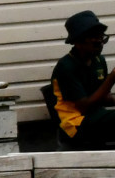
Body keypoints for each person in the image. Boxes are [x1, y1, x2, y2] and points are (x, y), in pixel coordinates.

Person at [49, 10, 115, 150]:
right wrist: (112, 77)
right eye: (95, 41)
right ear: (78, 42)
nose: (100, 44)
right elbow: (84, 106)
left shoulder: (98, 60)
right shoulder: (66, 67)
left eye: (102, 39)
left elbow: (104, 97)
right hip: (74, 124)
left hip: (95, 116)